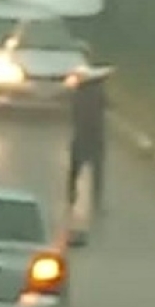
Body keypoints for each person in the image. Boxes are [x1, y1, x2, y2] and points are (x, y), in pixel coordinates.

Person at [64, 65, 113, 217]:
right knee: (97, 172)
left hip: (80, 137)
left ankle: (71, 196)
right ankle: (96, 202)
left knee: (75, 170)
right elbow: (109, 105)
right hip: (95, 138)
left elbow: (75, 115)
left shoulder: (78, 94)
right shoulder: (97, 94)